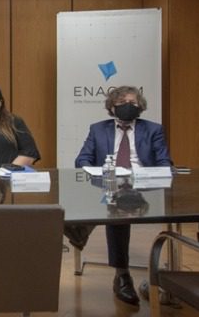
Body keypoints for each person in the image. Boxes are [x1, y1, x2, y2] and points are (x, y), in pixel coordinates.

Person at [75, 85, 172, 306]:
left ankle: (81, 231)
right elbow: (82, 160)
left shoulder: (153, 129)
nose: (128, 106)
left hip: (145, 187)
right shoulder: (98, 129)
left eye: (133, 103)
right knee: (117, 210)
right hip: (109, 184)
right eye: (122, 103)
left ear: (140, 107)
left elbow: (164, 162)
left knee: (117, 209)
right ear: (112, 107)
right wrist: (99, 173)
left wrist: (149, 175)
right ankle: (122, 274)